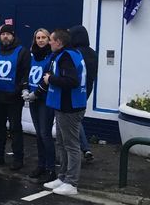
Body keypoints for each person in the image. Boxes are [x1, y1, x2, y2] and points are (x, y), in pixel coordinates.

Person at [43, 29, 87, 196]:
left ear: (59, 42)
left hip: (69, 106)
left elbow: (72, 81)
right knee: (61, 143)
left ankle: (71, 182)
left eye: (51, 40)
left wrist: (50, 79)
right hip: (63, 105)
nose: (49, 42)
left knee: (71, 146)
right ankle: (62, 177)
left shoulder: (66, 56)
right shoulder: (69, 54)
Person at [0, 24, 31, 170]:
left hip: (13, 98)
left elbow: (25, 73)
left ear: (13, 36)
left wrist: (19, 90)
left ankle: (18, 158)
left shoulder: (22, 52)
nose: (5, 36)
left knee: (15, 129)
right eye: (3, 34)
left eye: (8, 34)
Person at [23, 28, 57, 183]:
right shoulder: (32, 56)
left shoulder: (52, 57)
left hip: (45, 100)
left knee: (45, 134)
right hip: (32, 99)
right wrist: (24, 89)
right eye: (38, 37)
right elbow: (25, 74)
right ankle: (41, 165)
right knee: (38, 134)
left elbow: (47, 79)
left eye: (44, 37)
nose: (41, 40)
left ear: (49, 39)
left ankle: (51, 168)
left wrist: (36, 93)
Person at [69, 25, 98, 163]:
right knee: (77, 119)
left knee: (72, 121)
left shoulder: (75, 53)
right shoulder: (92, 52)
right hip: (87, 89)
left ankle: (79, 151)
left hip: (74, 90)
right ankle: (85, 148)